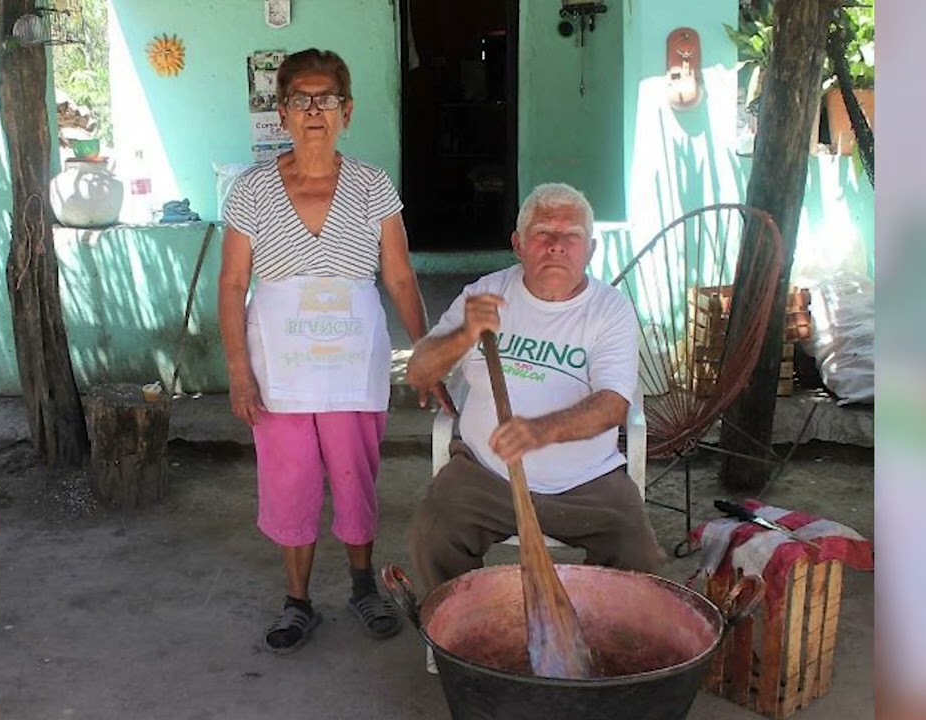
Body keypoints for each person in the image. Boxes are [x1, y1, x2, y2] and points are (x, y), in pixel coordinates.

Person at [218, 48, 448, 655]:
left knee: (354, 475)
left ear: (347, 111)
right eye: (301, 99)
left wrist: (426, 352)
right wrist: (239, 371)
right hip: (280, 369)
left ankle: (362, 585)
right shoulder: (251, 190)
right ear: (282, 112)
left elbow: (398, 276)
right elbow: (233, 284)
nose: (314, 110)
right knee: (290, 479)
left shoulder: (373, 185)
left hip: (352, 363)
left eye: (327, 99)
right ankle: (297, 601)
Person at [405, 182, 666, 596]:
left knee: (637, 553)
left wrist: (539, 431)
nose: (557, 245)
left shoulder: (610, 309)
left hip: (585, 483)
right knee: (434, 534)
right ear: (518, 244)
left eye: (571, 235)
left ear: (591, 249)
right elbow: (418, 372)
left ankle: (598, 631)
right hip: (486, 474)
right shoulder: (484, 294)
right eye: (543, 232)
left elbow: (614, 405)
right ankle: (465, 627)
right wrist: (465, 334)